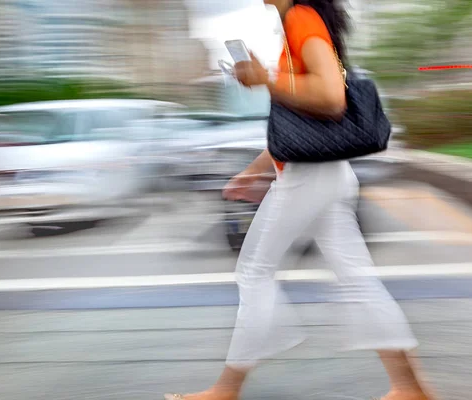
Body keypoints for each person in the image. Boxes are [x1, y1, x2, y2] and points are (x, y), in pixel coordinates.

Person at [165, 1, 436, 400]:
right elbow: (302, 121)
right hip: (325, 174)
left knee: (254, 272)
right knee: (358, 280)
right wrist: (257, 168)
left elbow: (329, 98)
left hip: (310, 178)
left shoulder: (300, 17)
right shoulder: (300, 21)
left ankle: (225, 391)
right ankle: (410, 387)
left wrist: (265, 79)